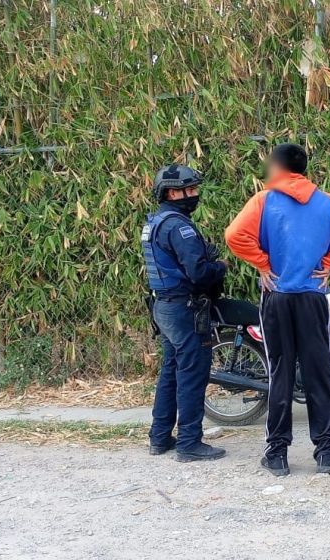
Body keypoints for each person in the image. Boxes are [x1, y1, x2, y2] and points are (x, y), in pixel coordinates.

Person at [225, 143, 330, 477]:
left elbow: (234, 235)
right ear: (303, 169)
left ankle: (277, 454)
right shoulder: (327, 202)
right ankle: (326, 453)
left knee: (280, 374)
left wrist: (263, 263)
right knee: (321, 374)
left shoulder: (263, 201)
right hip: (312, 297)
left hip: (276, 297)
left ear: (277, 168)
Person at [141, 163, 229, 462]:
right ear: (172, 192)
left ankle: (160, 436)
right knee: (192, 373)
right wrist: (220, 267)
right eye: (189, 190)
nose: (194, 195)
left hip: (164, 306)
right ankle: (190, 443)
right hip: (184, 308)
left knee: (171, 373)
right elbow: (199, 272)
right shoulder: (180, 227)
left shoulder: (154, 223)